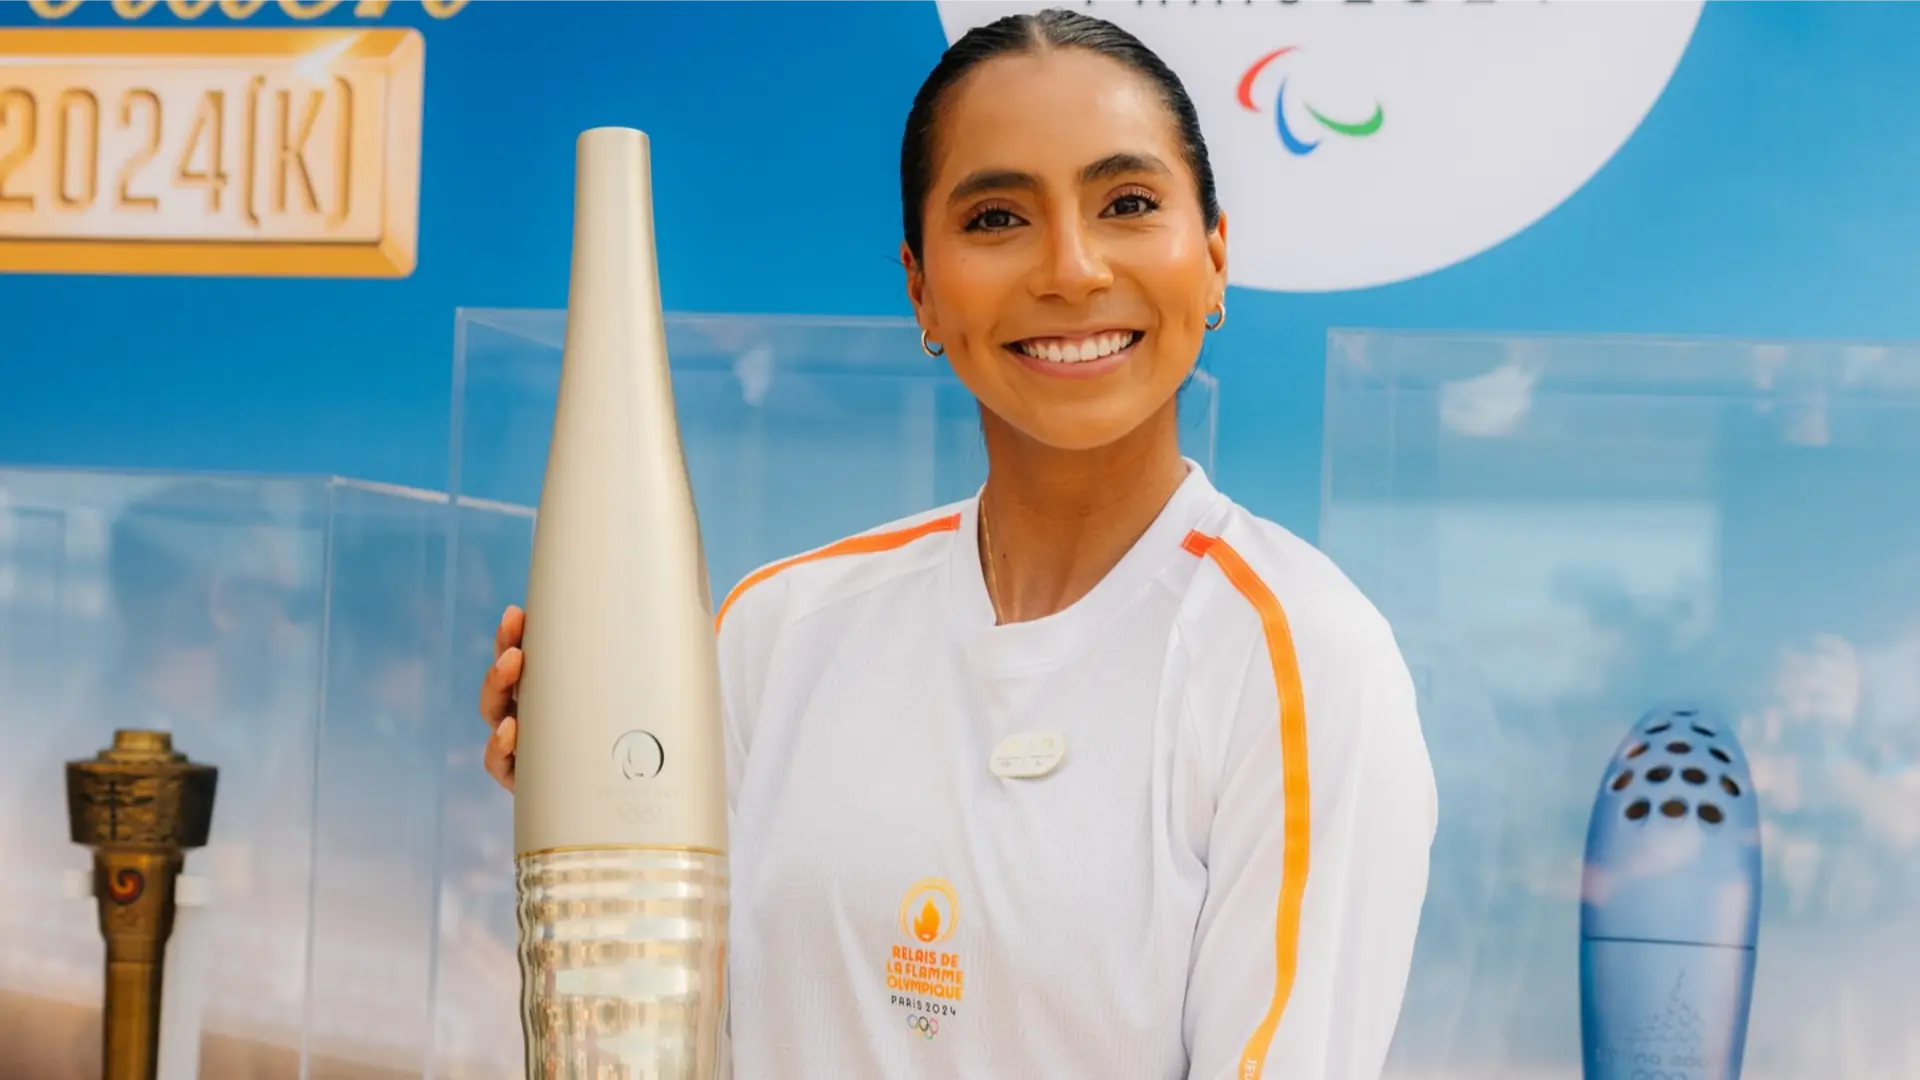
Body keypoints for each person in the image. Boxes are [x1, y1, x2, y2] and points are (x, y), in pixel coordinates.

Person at [480, 9, 1437, 1079]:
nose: (1072, 268)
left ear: (1213, 256)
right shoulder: (775, 635)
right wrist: (596, 795)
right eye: (996, 218)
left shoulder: (1298, 660)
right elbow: (664, 1021)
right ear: (921, 288)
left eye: (1127, 203)